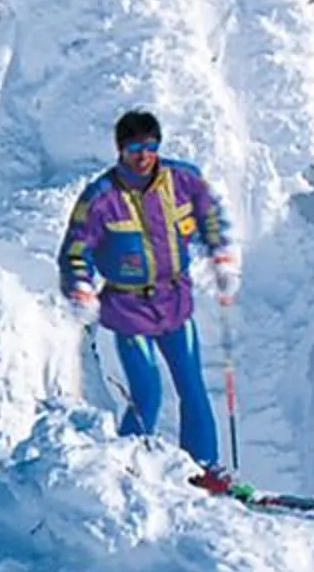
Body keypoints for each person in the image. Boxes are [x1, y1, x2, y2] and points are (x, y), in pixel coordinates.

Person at [59, 108, 239, 483]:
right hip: (128, 308)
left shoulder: (183, 180)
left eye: (150, 146)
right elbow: (77, 249)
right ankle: (126, 468)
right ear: (120, 151)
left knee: (192, 386)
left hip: (174, 300)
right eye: (134, 148)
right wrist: (80, 285)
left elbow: (210, 216)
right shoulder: (101, 197)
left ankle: (204, 468)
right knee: (147, 392)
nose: (143, 155)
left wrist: (220, 255)